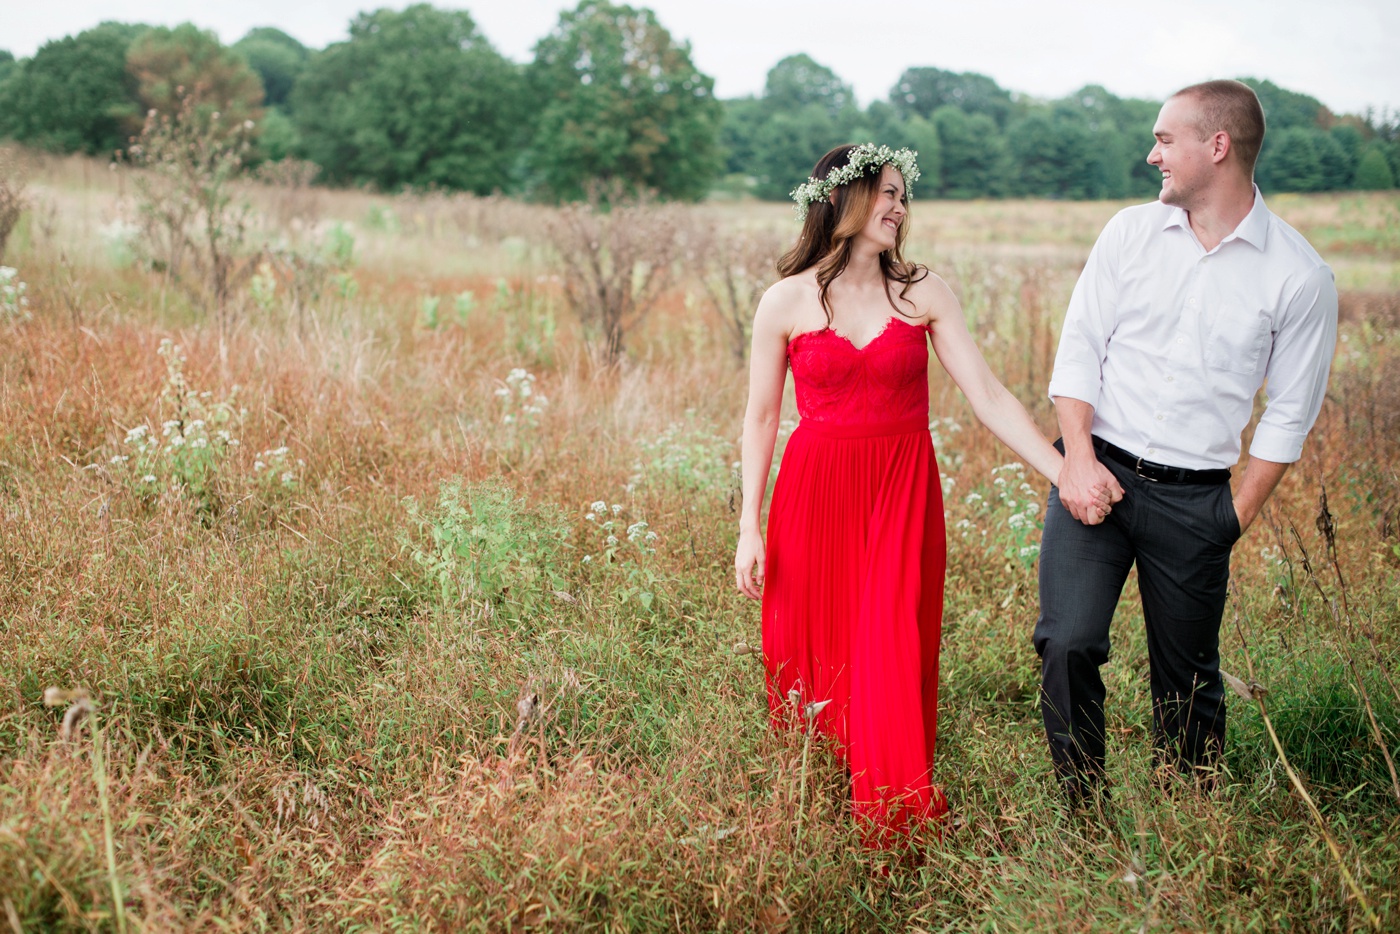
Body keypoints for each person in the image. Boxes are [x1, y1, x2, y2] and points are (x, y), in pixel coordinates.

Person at [733, 143, 1106, 842]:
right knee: (811, 648)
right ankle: (817, 802)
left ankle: (895, 812)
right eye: (887, 193)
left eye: (904, 196)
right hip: (813, 496)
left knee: (890, 644)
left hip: (899, 495)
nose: (899, 208)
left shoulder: (923, 292)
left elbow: (989, 396)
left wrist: (1064, 473)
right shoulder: (784, 301)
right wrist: (749, 527)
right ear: (842, 199)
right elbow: (759, 419)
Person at [1036, 79, 1339, 806]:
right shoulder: (1128, 234)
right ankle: (1084, 815)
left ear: (1219, 146)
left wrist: (1231, 518)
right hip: (1095, 471)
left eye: (1166, 139)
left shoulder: (1300, 276)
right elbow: (1079, 353)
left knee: (1187, 678)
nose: (1153, 155)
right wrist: (1076, 459)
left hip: (1197, 500)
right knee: (1068, 643)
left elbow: (1288, 416)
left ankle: (1189, 820)